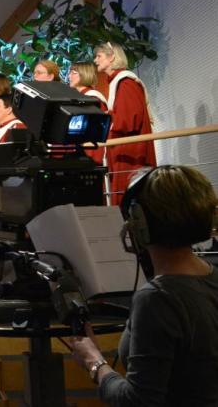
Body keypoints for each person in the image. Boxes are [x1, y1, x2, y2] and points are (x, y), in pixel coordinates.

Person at [68, 165, 218, 406]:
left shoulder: (157, 299)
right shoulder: (211, 276)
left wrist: (94, 361)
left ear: (138, 223)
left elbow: (137, 401)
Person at [94, 42, 157, 206]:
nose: (95, 60)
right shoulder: (117, 82)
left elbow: (128, 120)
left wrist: (105, 118)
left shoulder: (126, 82)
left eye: (99, 56)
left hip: (130, 153)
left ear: (112, 56)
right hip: (123, 150)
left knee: (130, 200)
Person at [68, 61, 109, 165]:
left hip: (92, 153)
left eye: (73, 72)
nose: (69, 76)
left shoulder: (92, 98)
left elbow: (94, 131)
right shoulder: (81, 97)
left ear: (84, 74)